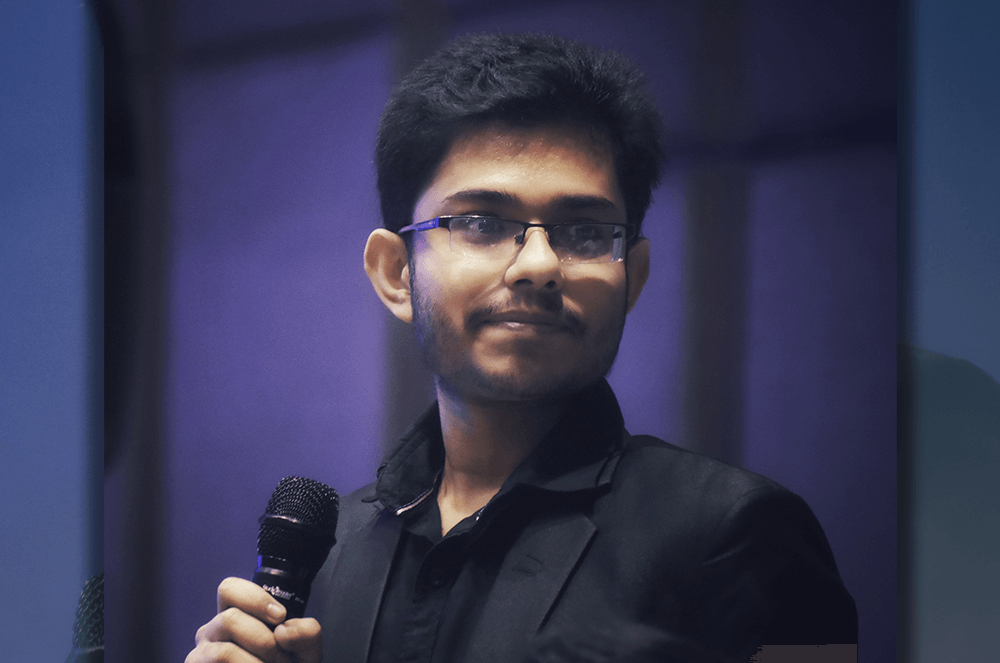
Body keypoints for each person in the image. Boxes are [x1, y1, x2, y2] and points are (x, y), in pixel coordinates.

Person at [185, 32, 856, 663]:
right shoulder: (331, 554)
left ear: (634, 277)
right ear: (396, 273)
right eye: (481, 222)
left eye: (586, 232)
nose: (539, 263)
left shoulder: (740, 534)